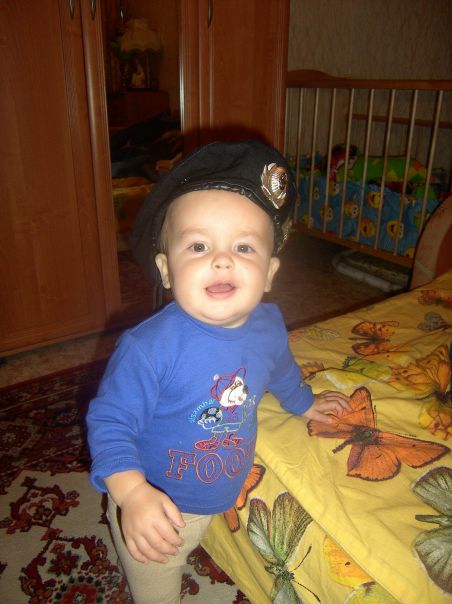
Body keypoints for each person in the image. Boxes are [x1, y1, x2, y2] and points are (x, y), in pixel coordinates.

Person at [86, 139, 350, 604]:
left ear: (270, 272)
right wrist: (132, 494)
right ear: (166, 270)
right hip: (158, 505)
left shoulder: (268, 325)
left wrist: (304, 402)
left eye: (243, 246)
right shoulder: (148, 349)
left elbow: (281, 369)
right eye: (199, 245)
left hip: (217, 486)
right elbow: (110, 421)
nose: (222, 259)